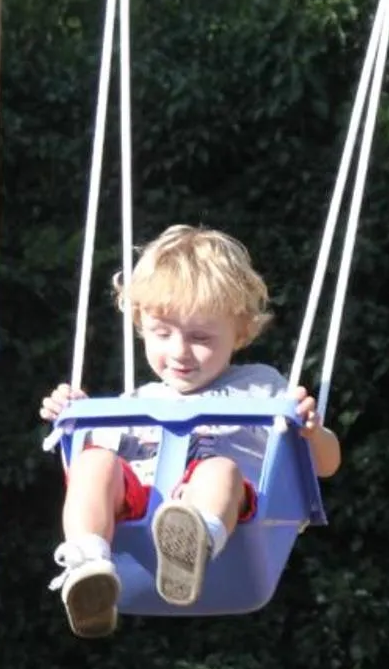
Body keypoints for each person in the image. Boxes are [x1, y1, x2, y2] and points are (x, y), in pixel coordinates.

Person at [38, 224, 342, 638]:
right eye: (162, 333)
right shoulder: (133, 403)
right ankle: (89, 565)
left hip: (230, 519)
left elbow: (325, 466)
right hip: (140, 512)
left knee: (219, 469)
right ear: (142, 325)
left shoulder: (260, 385)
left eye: (200, 337)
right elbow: (94, 469)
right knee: (92, 462)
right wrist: (73, 414)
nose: (179, 351)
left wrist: (310, 430)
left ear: (240, 332)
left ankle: (191, 544)